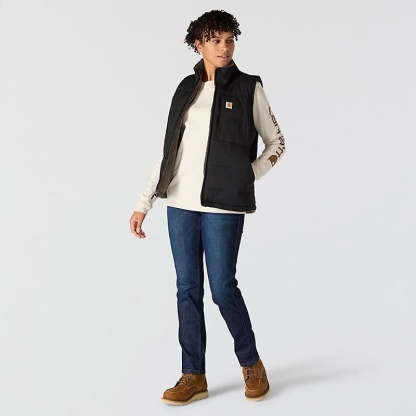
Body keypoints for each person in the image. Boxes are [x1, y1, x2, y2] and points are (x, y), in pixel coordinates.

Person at [129, 9, 286, 406]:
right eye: (215, 40)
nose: (224, 47)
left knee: (222, 288)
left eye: (230, 40)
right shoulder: (186, 88)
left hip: (223, 206)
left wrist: (248, 174)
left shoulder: (249, 87)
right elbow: (169, 150)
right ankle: (193, 374)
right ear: (198, 44)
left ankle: (251, 363)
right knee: (187, 289)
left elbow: (277, 142)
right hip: (180, 204)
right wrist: (144, 202)